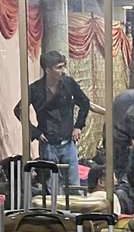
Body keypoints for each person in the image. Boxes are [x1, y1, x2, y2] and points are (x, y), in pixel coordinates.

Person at [14, 50, 91, 188]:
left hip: (68, 143)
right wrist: (35, 132)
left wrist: (79, 126)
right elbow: (19, 111)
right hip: (48, 144)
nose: (63, 71)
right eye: (59, 67)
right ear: (48, 70)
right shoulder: (35, 89)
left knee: (74, 186)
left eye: (63, 66)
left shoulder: (69, 83)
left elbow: (85, 103)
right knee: (51, 188)